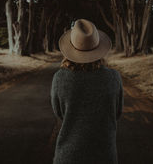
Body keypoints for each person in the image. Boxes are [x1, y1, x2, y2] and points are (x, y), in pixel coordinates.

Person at [50, 19, 124, 164]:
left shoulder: (59, 78)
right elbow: (117, 112)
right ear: (99, 48)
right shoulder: (114, 77)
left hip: (68, 157)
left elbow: (59, 113)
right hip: (105, 156)